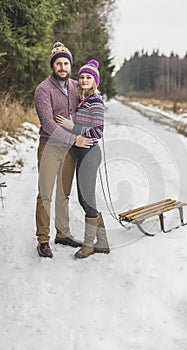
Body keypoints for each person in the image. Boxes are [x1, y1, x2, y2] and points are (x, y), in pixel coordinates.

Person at [34, 42, 91, 258]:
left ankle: (63, 233)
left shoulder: (77, 87)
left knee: (63, 194)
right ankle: (43, 239)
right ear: (53, 66)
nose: (62, 67)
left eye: (66, 63)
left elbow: (86, 109)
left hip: (69, 150)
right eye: (58, 63)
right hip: (49, 146)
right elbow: (48, 123)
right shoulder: (43, 90)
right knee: (45, 194)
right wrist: (74, 138)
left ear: (70, 66)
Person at [56, 59, 110, 259]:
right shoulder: (84, 100)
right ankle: (102, 242)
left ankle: (89, 245)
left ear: (95, 81)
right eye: (82, 77)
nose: (84, 80)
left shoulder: (95, 101)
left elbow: (98, 130)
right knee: (84, 198)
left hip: (90, 154)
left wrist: (73, 127)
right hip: (82, 154)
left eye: (89, 77)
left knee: (86, 199)